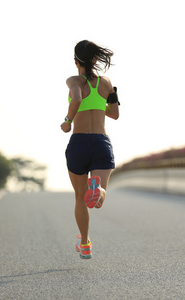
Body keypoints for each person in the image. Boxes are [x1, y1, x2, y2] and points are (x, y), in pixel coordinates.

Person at [60, 40, 120, 259]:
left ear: (76, 61)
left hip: (79, 143)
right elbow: (114, 114)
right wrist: (98, 104)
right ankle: (99, 190)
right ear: (95, 60)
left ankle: (85, 244)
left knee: (79, 197)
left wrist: (68, 120)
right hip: (101, 143)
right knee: (97, 199)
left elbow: (76, 98)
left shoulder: (73, 80)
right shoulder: (106, 83)